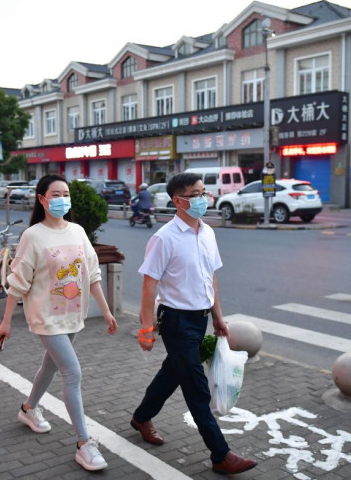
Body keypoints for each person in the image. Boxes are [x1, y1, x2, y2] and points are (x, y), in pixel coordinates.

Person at [130, 172, 258, 475]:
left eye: (204, 193)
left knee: (172, 373)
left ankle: (141, 417)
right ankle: (220, 454)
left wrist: (218, 316)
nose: (203, 199)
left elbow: (209, 277)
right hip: (176, 321)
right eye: (195, 194)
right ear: (178, 200)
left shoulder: (208, 233)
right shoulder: (164, 238)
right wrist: (146, 329)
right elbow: (149, 285)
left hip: (199, 319)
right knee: (197, 388)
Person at [0, 173, 118, 472]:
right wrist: (6, 322)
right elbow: (18, 283)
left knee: (50, 367)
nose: (62, 198)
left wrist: (106, 311)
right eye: (55, 194)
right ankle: (83, 442)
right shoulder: (33, 236)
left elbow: (91, 275)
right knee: (72, 372)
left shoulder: (77, 231)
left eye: (66, 193)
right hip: (45, 316)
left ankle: (28, 409)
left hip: (72, 315)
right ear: (42, 199)